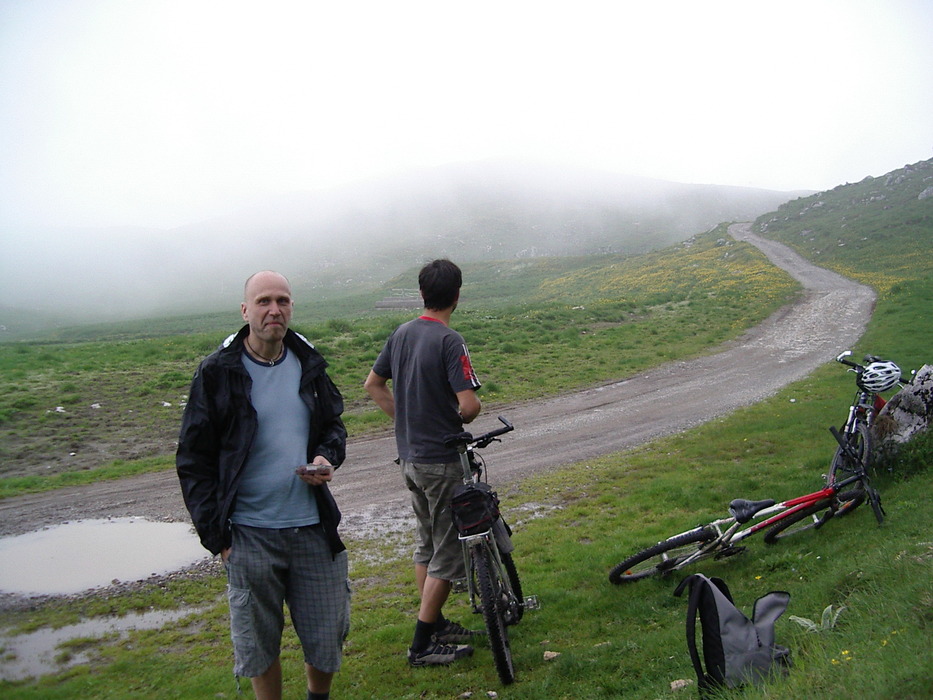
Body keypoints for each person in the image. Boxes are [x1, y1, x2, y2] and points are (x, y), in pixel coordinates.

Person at [176, 270, 350, 700]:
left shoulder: (308, 362)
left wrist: (328, 457)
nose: (275, 310)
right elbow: (193, 461)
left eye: (284, 301)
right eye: (264, 301)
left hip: (312, 527)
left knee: (327, 631)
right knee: (258, 641)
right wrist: (218, 538)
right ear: (245, 310)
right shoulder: (218, 373)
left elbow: (332, 425)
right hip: (249, 533)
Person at [364, 258, 484, 667]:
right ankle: (421, 645)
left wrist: (406, 420)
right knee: (448, 552)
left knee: (427, 544)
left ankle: (436, 623)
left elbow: (373, 384)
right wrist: (467, 411)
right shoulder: (451, 340)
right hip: (441, 461)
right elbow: (467, 406)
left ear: (421, 294)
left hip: (410, 458)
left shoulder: (401, 333)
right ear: (457, 295)